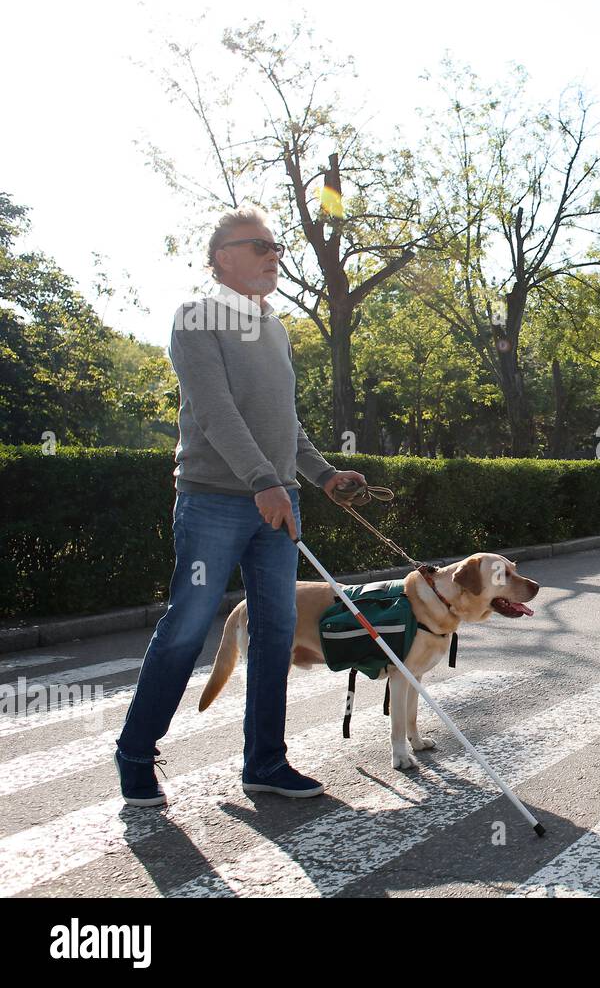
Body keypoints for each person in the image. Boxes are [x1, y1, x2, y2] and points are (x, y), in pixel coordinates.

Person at [114, 205, 365, 806]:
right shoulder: (197, 318)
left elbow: (285, 424)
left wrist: (323, 475)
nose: (273, 255)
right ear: (222, 258)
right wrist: (261, 479)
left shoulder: (274, 327)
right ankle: (135, 752)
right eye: (259, 247)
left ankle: (265, 763)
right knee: (188, 625)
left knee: (277, 632)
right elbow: (214, 409)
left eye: (276, 247)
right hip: (215, 503)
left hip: (279, 502)